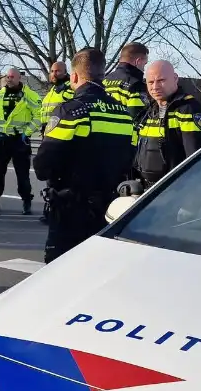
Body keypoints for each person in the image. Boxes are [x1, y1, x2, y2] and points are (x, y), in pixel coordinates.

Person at [34, 48, 136, 263]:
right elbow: (131, 159)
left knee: (59, 271)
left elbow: (43, 165)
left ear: (74, 76)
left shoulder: (71, 110)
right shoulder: (122, 113)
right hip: (109, 207)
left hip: (71, 208)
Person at [132, 60, 201, 188]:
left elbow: (196, 159)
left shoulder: (189, 110)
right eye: (151, 82)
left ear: (175, 78)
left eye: (161, 80)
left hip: (175, 190)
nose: (155, 87)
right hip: (148, 190)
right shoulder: (149, 110)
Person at [0, 68, 41, 215]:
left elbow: (39, 116)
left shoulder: (29, 95)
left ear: (19, 77)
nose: (9, 79)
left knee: (22, 174)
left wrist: (27, 133)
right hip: (2, 140)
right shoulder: (0, 95)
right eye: (7, 76)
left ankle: (26, 201)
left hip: (20, 140)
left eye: (12, 76)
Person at [38, 61, 73, 223]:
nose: (54, 74)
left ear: (66, 72)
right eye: (52, 71)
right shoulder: (52, 90)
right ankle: (51, 209)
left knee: (58, 178)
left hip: (60, 138)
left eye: (58, 71)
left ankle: (58, 211)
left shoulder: (68, 89)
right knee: (50, 177)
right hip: (48, 136)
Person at [103, 42, 150, 123]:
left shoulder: (104, 80)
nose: (144, 69)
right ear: (138, 61)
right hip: (125, 134)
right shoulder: (136, 85)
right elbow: (138, 119)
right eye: (144, 64)